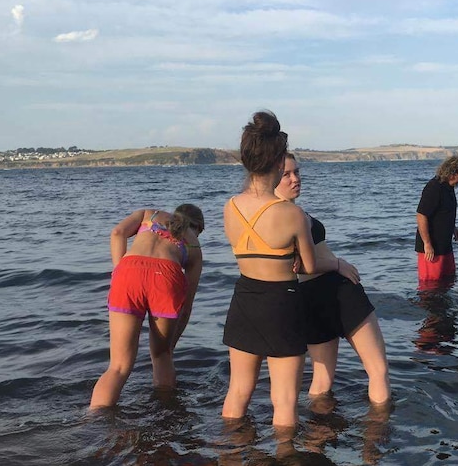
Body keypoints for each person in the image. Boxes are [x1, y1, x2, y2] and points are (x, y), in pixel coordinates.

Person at [221, 111, 317, 428]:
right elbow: (309, 266)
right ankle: (286, 456)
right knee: (285, 399)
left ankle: (229, 453)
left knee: (238, 391)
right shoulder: (293, 214)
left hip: (244, 299)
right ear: (278, 162)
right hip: (282, 303)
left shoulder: (230, 206)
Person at [274, 153, 391, 405]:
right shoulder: (285, 213)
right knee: (378, 370)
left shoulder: (277, 212)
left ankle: (318, 438)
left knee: (322, 378)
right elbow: (299, 265)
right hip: (334, 290)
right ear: (271, 177)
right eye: (287, 175)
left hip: (308, 298)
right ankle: (378, 437)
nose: (295, 179)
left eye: (297, 172)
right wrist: (338, 264)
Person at [90, 204, 204, 408]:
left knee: (117, 366)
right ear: (199, 228)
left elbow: (117, 233)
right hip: (167, 277)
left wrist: (119, 271)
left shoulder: (148, 215)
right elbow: (186, 306)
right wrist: (170, 346)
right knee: (161, 356)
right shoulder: (194, 246)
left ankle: (94, 419)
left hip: (128, 272)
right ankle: (164, 413)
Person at [415, 155, 458, 282]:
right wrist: (427, 244)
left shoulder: (449, 188)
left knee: (449, 281)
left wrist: (453, 228)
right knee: (430, 286)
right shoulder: (434, 187)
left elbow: (443, 212)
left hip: (445, 245)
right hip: (432, 249)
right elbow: (421, 215)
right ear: (452, 172)